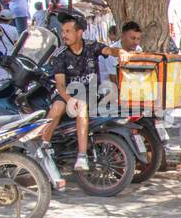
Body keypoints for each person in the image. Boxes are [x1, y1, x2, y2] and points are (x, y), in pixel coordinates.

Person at [41, 14, 127, 171]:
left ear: (79, 32)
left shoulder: (91, 46)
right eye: (62, 31)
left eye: (68, 31)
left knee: (81, 107)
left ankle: (81, 157)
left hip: (91, 92)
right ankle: (43, 148)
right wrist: (69, 99)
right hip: (68, 93)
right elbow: (60, 85)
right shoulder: (60, 55)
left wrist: (120, 52)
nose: (64, 35)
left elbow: (108, 50)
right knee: (56, 108)